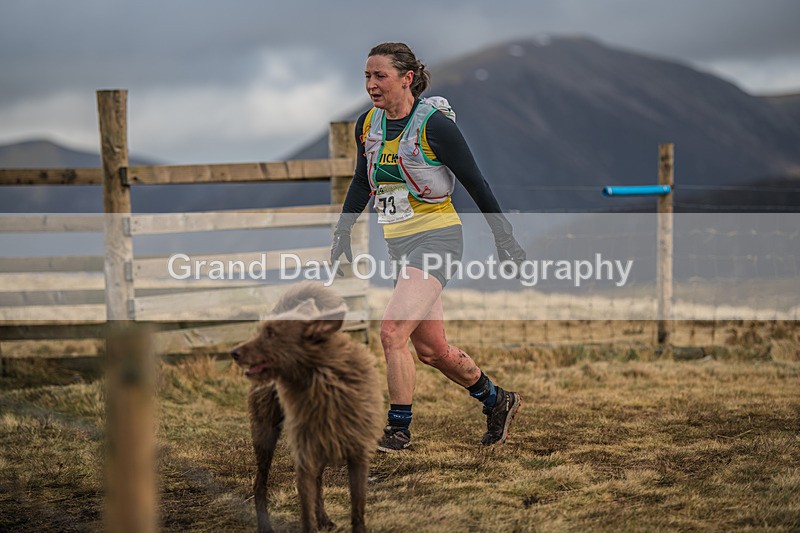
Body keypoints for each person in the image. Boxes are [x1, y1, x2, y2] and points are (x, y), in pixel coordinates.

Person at [331, 42, 527, 452]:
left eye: (380, 76)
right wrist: (342, 231)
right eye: (367, 76)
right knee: (432, 350)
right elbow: (363, 180)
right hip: (400, 245)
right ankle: (497, 400)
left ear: (407, 79)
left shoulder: (435, 126)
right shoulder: (367, 125)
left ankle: (398, 430)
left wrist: (503, 235)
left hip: (438, 238)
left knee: (391, 332)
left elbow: (475, 182)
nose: (371, 85)